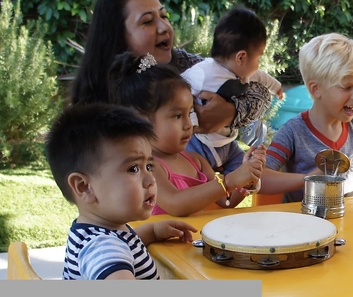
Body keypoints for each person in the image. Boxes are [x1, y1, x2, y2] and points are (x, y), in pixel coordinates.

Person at [45, 103, 197, 279]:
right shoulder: (104, 251)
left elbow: (123, 245)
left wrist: (153, 231)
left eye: (148, 166)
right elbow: (112, 255)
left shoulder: (97, 232)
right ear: (84, 186)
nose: (150, 179)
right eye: (133, 169)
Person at [69, 0, 260, 138]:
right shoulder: (98, 99)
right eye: (147, 21)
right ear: (116, 36)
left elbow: (261, 93)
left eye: (163, 16)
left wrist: (231, 112)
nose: (164, 27)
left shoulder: (185, 64)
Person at [108, 52, 265, 216]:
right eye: (177, 116)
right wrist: (230, 180)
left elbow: (227, 200)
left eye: (190, 113)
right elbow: (176, 203)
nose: (189, 124)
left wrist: (248, 177)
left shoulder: (196, 161)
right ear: (142, 121)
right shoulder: (146, 167)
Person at [261, 33, 353, 202]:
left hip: (345, 224)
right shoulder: (293, 131)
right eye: (347, 86)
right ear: (316, 89)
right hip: (301, 224)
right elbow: (261, 180)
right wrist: (308, 179)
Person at [182, 7, 281, 189]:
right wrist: (192, 122)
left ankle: (248, 185)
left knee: (244, 167)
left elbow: (261, 77)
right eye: (259, 57)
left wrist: (277, 88)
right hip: (199, 143)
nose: (258, 64)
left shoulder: (241, 72)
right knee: (192, 180)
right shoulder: (202, 72)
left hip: (228, 143)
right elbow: (181, 94)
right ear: (241, 57)